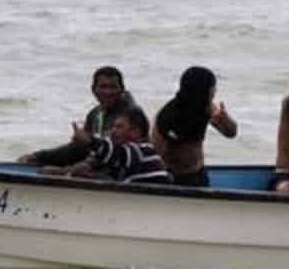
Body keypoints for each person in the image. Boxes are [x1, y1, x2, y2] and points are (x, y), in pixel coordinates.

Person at [21, 65, 135, 166]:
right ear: (93, 90)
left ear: (122, 89)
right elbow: (80, 149)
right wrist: (39, 157)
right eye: (103, 87)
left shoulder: (131, 115)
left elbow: (118, 151)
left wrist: (66, 170)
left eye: (113, 87)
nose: (108, 92)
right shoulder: (95, 114)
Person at [153, 66, 238, 188]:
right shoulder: (169, 115)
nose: (215, 90)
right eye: (213, 87)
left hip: (198, 174)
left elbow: (231, 133)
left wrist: (225, 120)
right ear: (203, 91)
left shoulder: (207, 107)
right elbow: (155, 152)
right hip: (173, 178)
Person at [39, 107, 169, 185]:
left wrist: (89, 141)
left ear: (135, 131)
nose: (113, 131)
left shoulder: (142, 150)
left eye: (119, 126)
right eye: (112, 126)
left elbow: (115, 154)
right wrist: (64, 172)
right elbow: (95, 163)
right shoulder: (122, 155)